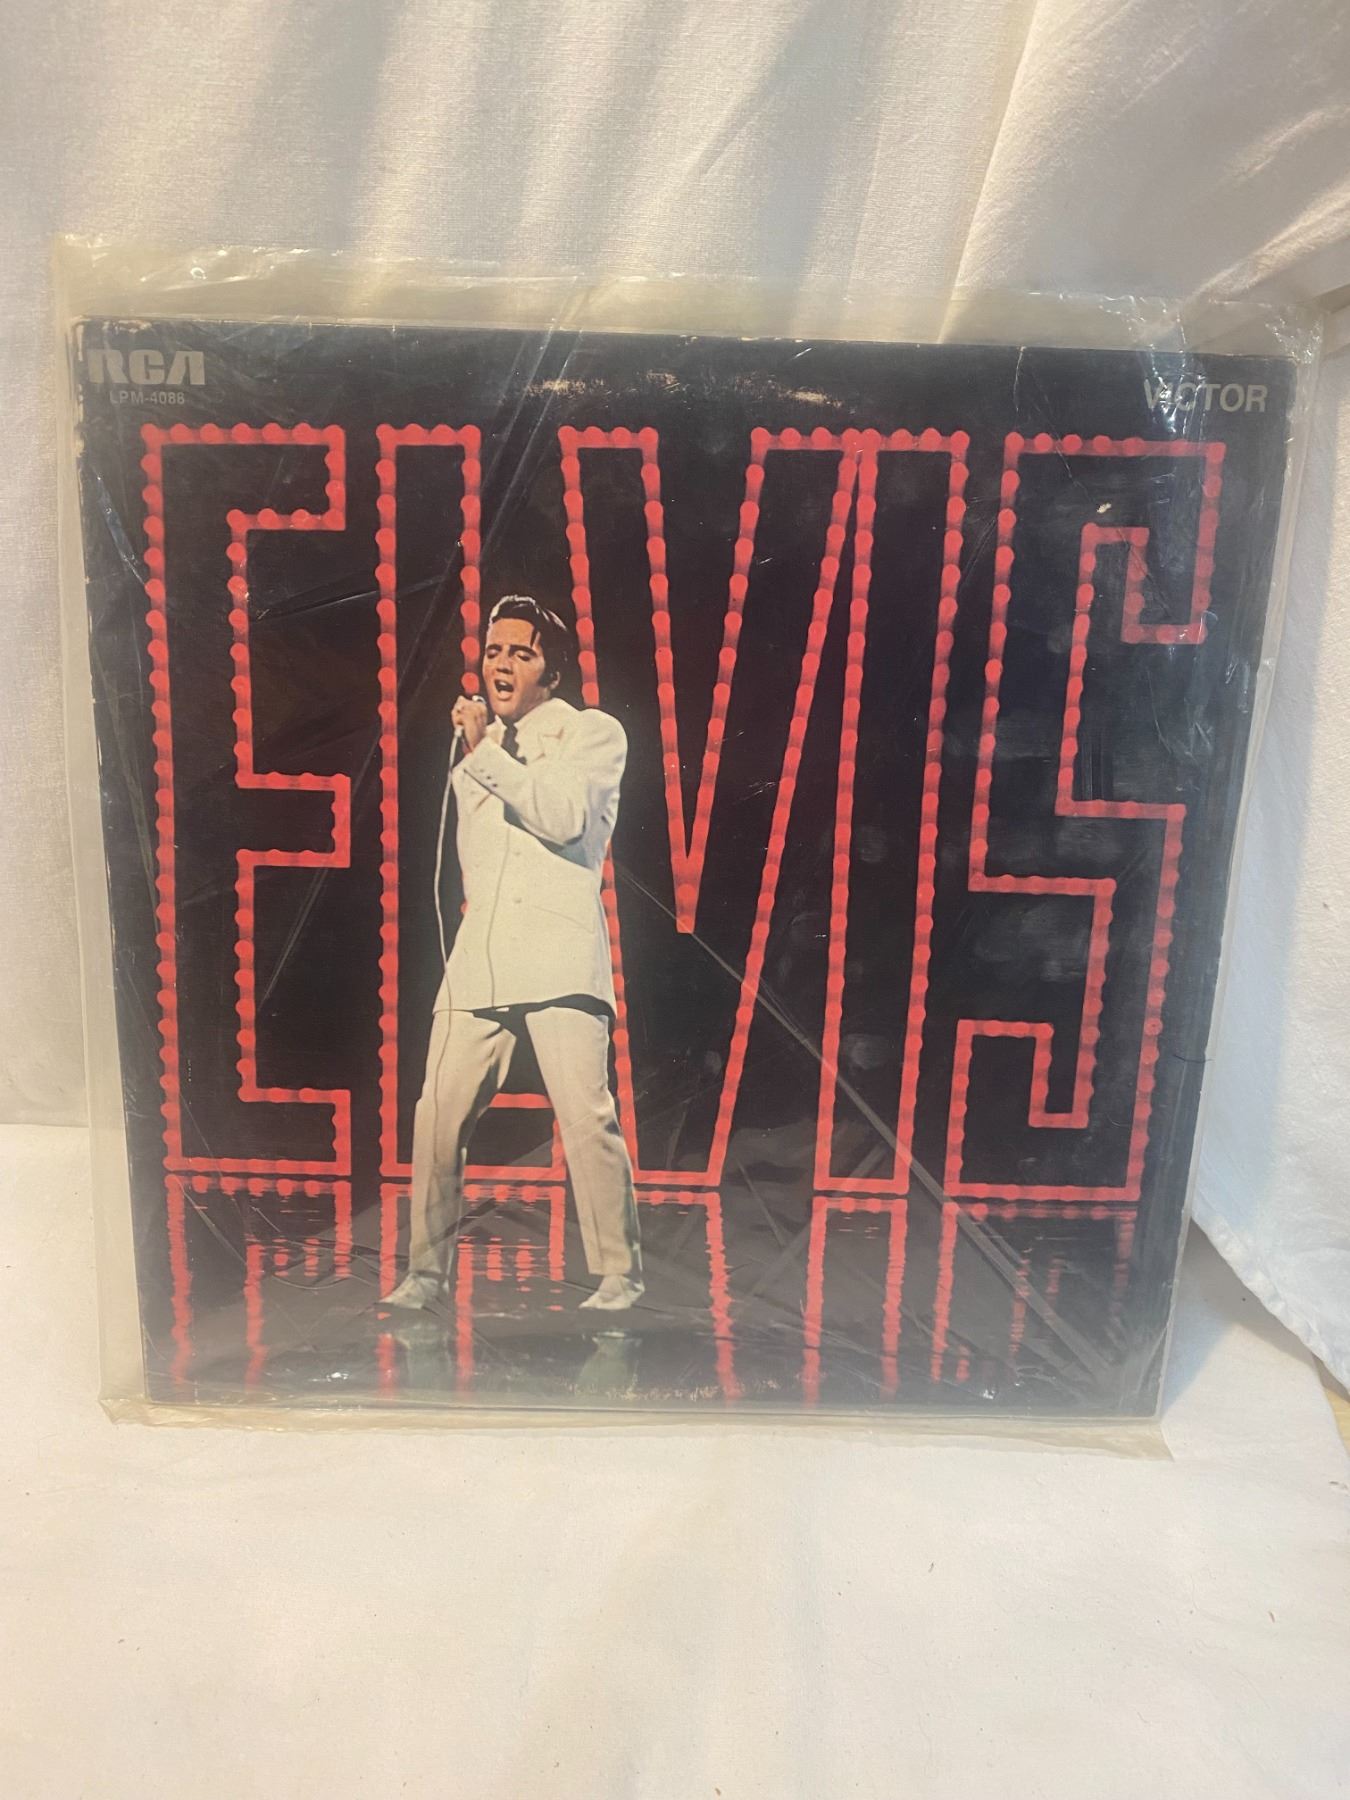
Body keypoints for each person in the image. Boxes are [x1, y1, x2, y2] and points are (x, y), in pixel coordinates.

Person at [382, 596, 643, 1313]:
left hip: (559, 953)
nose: (501, 664)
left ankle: (619, 1276)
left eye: (521, 653)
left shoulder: (592, 732)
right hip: (482, 958)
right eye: (494, 651)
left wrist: (486, 753)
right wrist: (483, 752)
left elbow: (563, 818)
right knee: (436, 1115)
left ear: (550, 672)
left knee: (585, 1116)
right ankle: (424, 1276)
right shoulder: (477, 752)